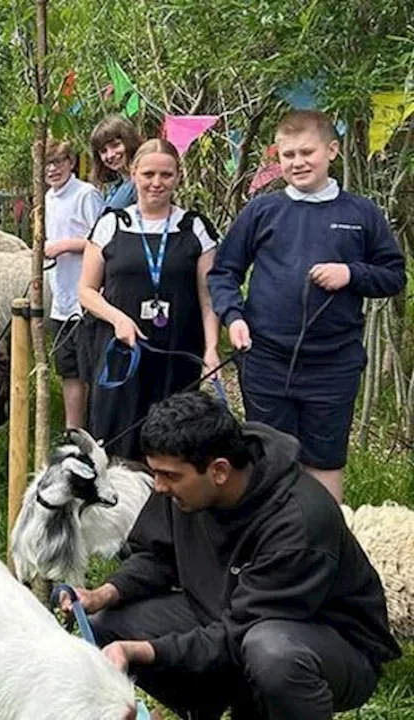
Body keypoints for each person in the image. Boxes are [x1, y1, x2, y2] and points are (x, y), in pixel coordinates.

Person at [62, 391, 401, 720]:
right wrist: (102, 593)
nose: (160, 487)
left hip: (326, 646)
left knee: (271, 654)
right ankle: (210, 707)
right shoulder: (188, 482)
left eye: (170, 476)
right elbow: (157, 556)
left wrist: (142, 651)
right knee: (107, 620)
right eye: (156, 473)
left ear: (219, 471)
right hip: (227, 616)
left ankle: (266, 705)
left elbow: (238, 633)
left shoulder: (298, 522)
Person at [207, 109, 407, 503]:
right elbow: (223, 272)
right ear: (277, 158)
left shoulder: (361, 213)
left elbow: (394, 275)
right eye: (288, 155)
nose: (297, 162)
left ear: (332, 150)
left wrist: (351, 274)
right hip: (265, 359)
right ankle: (271, 549)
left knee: (325, 461)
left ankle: (327, 549)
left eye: (307, 152)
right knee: (268, 459)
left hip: (334, 364)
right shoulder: (262, 210)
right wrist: (233, 317)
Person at [78, 139, 220, 461]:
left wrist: (212, 348)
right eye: (149, 174)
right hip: (122, 354)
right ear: (133, 174)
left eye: (166, 175)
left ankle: (168, 507)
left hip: (177, 352)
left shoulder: (194, 228)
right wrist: (118, 319)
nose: (157, 183)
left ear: (178, 176)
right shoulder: (111, 224)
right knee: (117, 439)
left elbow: (208, 297)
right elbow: (85, 291)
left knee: (175, 441)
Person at [42, 138, 105, 430]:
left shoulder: (86, 194)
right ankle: (73, 431)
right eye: (46, 164)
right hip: (61, 296)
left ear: (70, 162)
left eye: (58, 162)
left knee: (89, 367)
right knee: (68, 369)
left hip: (87, 297)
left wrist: (65, 245)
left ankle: (96, 429)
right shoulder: (48, 198)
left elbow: (104, 238)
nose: (52, 169)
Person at [89, 114, 143, 210]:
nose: (110, 155)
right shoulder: (114, 186)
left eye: (115, 145)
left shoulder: (142, 181)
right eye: (103, 151)